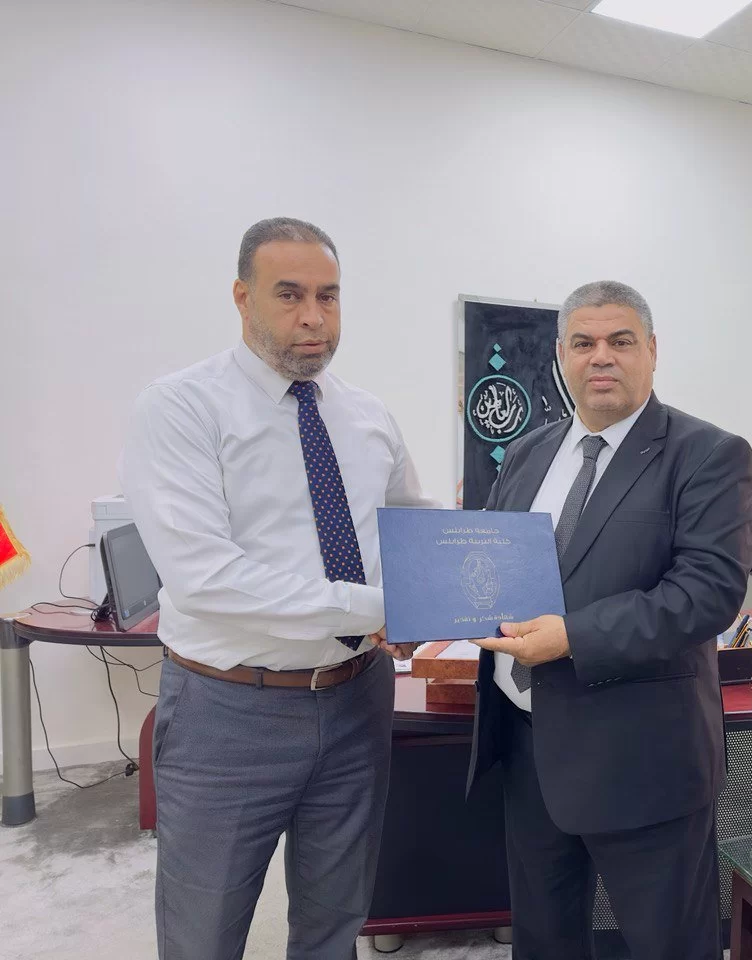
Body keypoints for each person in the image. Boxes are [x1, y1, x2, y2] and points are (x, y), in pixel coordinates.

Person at [122, 217, 434, 960]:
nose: (313, 317)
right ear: (243, 297)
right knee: (203, 933)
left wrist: (462, 575)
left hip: (358, 700)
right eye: (290, 295)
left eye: (329, 296)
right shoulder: (180, 407)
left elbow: (409, 526)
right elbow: (206, 578)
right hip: (229, 710)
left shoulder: (367, 414)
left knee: (335, 924)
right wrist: (378, 608)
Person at [467, 280, 752, 960]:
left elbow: (707, 592)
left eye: (620, 341)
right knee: (544, 942)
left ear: (651, 350)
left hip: (643, 761)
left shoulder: (707, 454)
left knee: (666, 945)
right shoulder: (528, 454)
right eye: (583, 343)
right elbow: (492, 564)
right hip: (529, 750)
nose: (601, 356)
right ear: (560, 356)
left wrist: (571, 637)